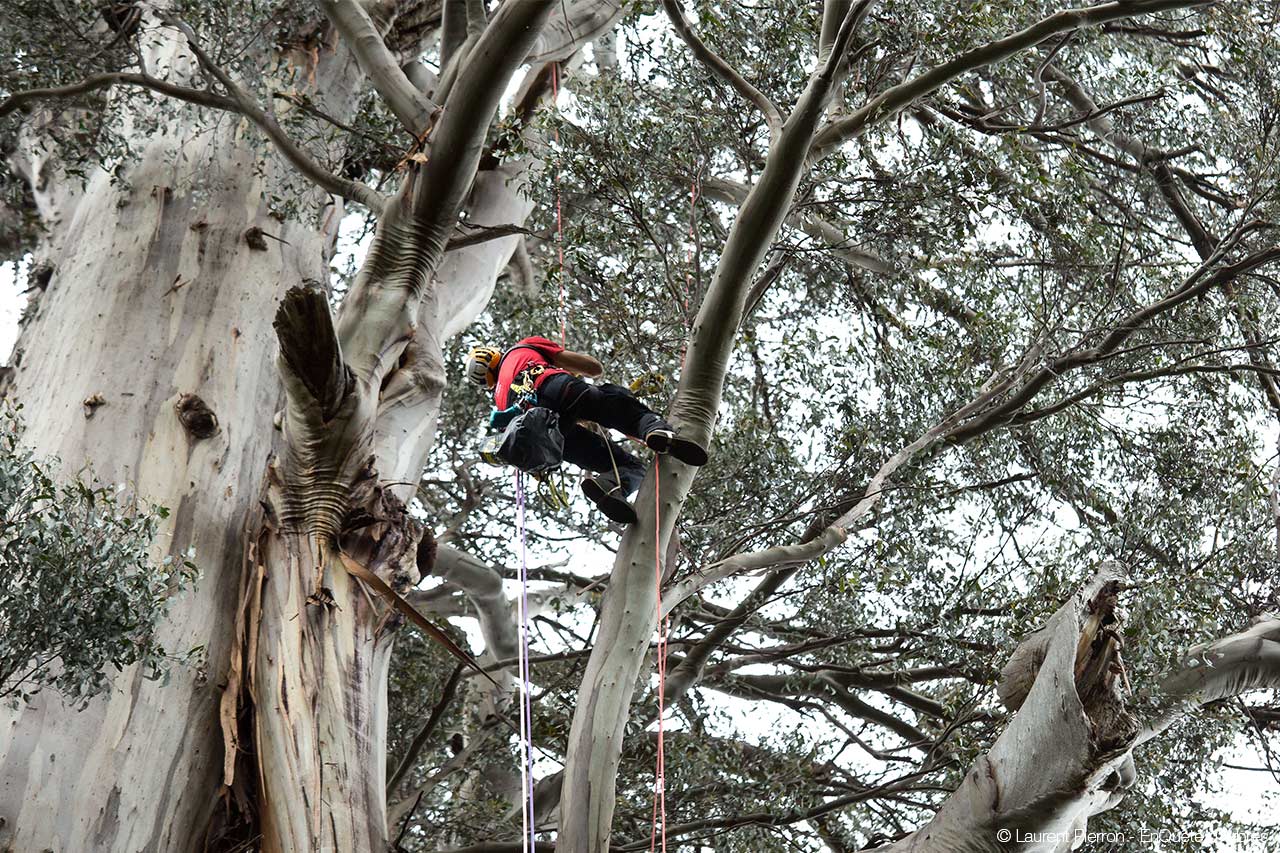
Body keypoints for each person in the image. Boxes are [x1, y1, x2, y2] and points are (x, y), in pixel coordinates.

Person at [467, 336, 708, 524]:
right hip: (554, 387)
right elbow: (593, 368)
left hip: (548, 438)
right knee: (615, 402)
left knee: (628, 466)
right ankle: (656, 430)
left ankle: (612, 486)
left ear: (486, 382)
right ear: (494, 354)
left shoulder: (500, 404)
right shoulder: (523, 348)